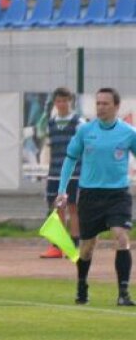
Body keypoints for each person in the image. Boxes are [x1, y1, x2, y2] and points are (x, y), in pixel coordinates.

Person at [54, 87, 136, 306]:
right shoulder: (85, 131)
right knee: (88, 247)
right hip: (90, 195)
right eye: (98, 103)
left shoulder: (129, 133)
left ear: (116, 107)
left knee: (121, 236)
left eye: (105, 103)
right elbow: (70, 159)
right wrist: (62, 190)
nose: (100, 107)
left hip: (118, 195)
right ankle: (82, 285)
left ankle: (123, 293)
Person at [37, 87, 84, 258]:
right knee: (57, 209)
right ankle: (57, 246)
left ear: (70, 101)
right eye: (58, 101)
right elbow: (40, 131)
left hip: (74, 172)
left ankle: (74, 245)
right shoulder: (50, 122)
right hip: (55, 172)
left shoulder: (79, 122)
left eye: (65, 100)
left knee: (73, 208)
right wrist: (45, 112)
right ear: (54, 103)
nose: (62, 104)